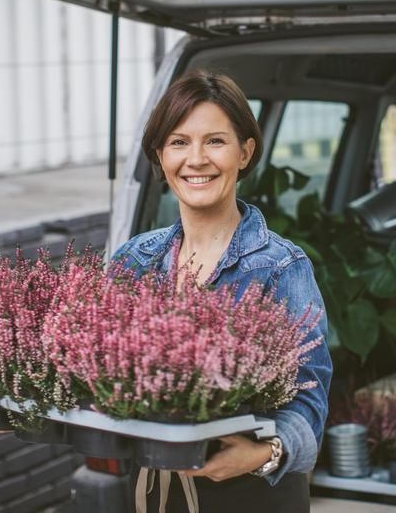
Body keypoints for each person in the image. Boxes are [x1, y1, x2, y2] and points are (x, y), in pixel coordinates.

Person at [111, 70, 333, 513]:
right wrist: (18, 405)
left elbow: (310, 396)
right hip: (149, 491)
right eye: (178, 142)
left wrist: (265, 454)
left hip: (249, 494)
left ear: (245, 152)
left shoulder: (281, 267)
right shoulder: (133, 260)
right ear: (160, 155)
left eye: (215, 141)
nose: (196, 159)